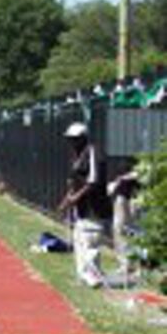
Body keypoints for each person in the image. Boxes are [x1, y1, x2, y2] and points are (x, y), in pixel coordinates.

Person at [58, 122, 111, 288]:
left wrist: (75, 198)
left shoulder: (93, 152)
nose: (71, 143)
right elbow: (74, 184)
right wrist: (66, 201)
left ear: (83, 138)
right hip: (81, 209)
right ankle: (84, 276)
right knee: (79, 240)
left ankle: (94, 277)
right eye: (69, 139)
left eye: (75, 139)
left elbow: (93, 181)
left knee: (89, 241)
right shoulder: (77, 156)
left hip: (94, 209)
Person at [107, 165, 140, 276]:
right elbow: (109, 191)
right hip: (123, 203)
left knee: (124, 235)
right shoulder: (119, 183)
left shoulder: (132, 179)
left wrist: (122, 178)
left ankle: (127, 266)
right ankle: (126, 265)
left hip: (127, 204)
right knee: (122, 235)